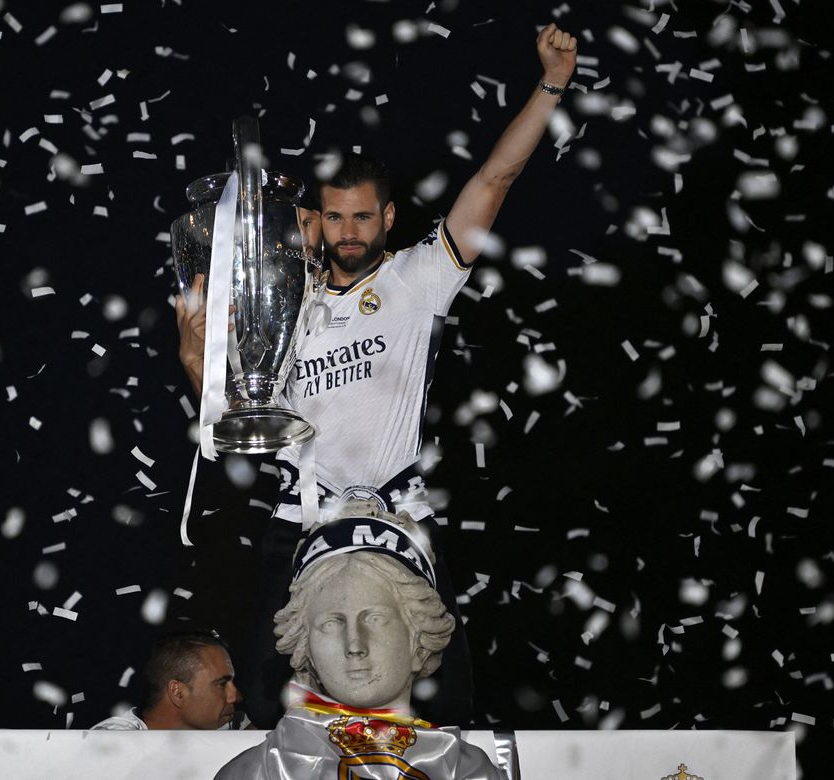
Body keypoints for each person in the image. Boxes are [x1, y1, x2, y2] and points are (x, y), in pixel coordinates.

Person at [177, 24, 579, 727]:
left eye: (364, 216)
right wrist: (194, 362)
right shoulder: (281, 301)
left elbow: (494, 178)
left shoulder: (418, 278)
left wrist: (551, 85)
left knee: (449, 699)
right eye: (335, 217)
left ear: (388, 217)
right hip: (303, 512)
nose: (350, 232)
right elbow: (233, 419)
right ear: (315, 220)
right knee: (271, 696)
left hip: (401, 512)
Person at [214, 505, 504, 779]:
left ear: (418, 638)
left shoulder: (469, 772)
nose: (354, 645)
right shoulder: (256, 772)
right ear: (307, 649)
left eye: (375, 619)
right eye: (331, 624)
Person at [92, 629, 242, 730]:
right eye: (221, 684)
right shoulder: (111, 744)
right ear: (177, 692)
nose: (235, 697)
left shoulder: (231, 725)